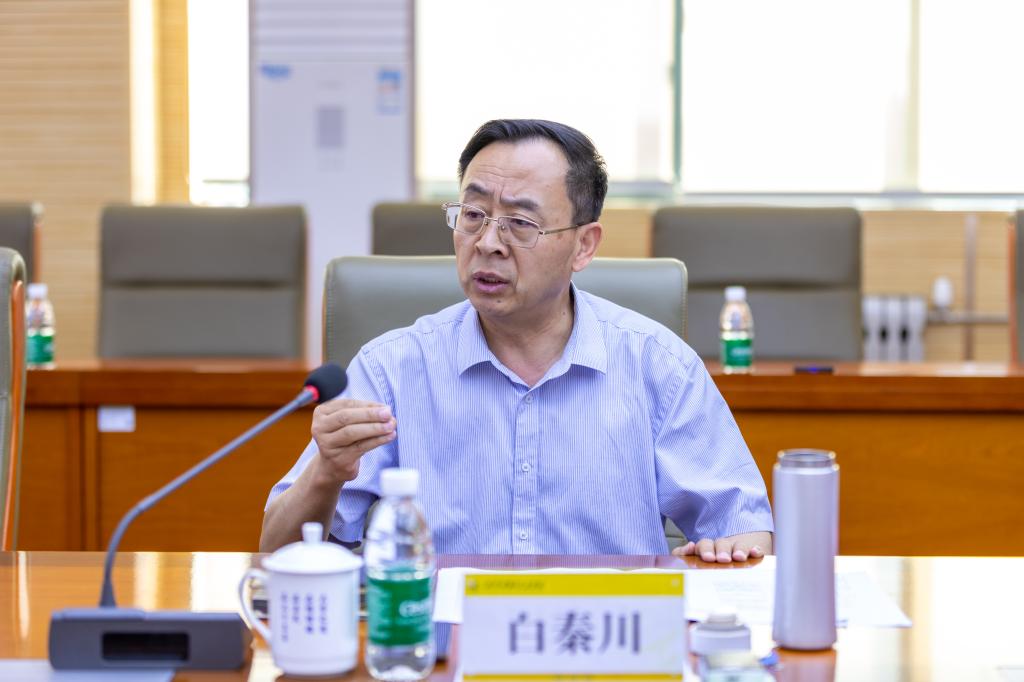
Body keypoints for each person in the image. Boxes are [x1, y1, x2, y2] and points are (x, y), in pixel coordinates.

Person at [261, 119, 773, 563]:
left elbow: (747, 532)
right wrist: (327, 473)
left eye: (521, 224)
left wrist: (727, 552)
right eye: (473, 215)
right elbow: (276, 555)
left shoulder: (657, 366)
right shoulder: (390, 368)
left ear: (583, 245)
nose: (487, 243)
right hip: (439, 644)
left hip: (603, 642)